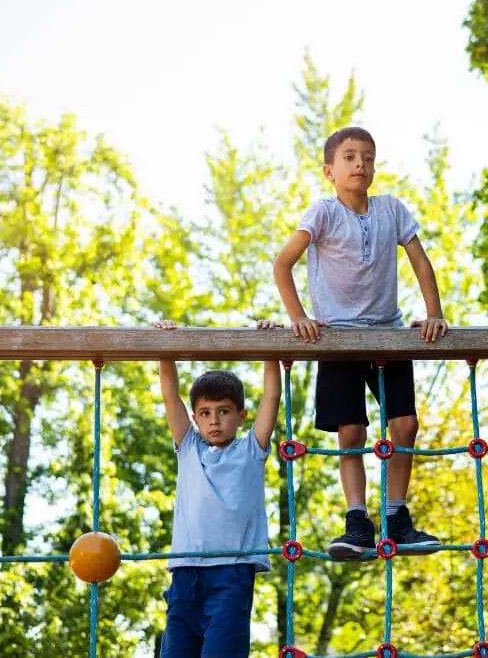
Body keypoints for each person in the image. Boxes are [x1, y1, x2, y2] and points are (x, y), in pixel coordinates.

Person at [272, 126, 448, 561]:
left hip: (387, 333)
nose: (360, 165)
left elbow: (421, 263)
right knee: (352, 430)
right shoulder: (323, 213)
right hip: (338, 337)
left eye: (368, 157)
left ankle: (396, 517)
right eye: (350, 157)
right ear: (329, 170)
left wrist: (435, 313)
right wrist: (299, 318)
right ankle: (356, 521)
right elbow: (283, 264)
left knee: (404, 424)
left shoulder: (391, 210)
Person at [154, 319, 282, 657]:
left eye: (223, 412)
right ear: (195, 418)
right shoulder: (189, 448)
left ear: (241, 415)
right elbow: (170, 397)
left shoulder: (251, 450)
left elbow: (272, 395)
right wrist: (166, 350)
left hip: (232, 573)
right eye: (206, 413)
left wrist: (269, 347)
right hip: (185, 572)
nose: (214, 420)